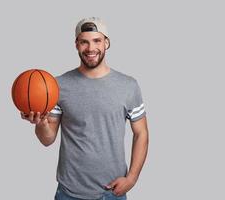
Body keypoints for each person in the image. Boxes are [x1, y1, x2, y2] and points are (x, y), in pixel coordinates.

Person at [21, 17, 149, 200]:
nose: (90, 48)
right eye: (84, 42)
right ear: (76, 44)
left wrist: (132, 178)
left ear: (107, 43)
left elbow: (141, 133)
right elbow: (47, 139)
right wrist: (41, 123)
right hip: (69, 192)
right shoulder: (57, 86)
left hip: (112, 192)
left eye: (97, 41)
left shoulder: (129, 86)